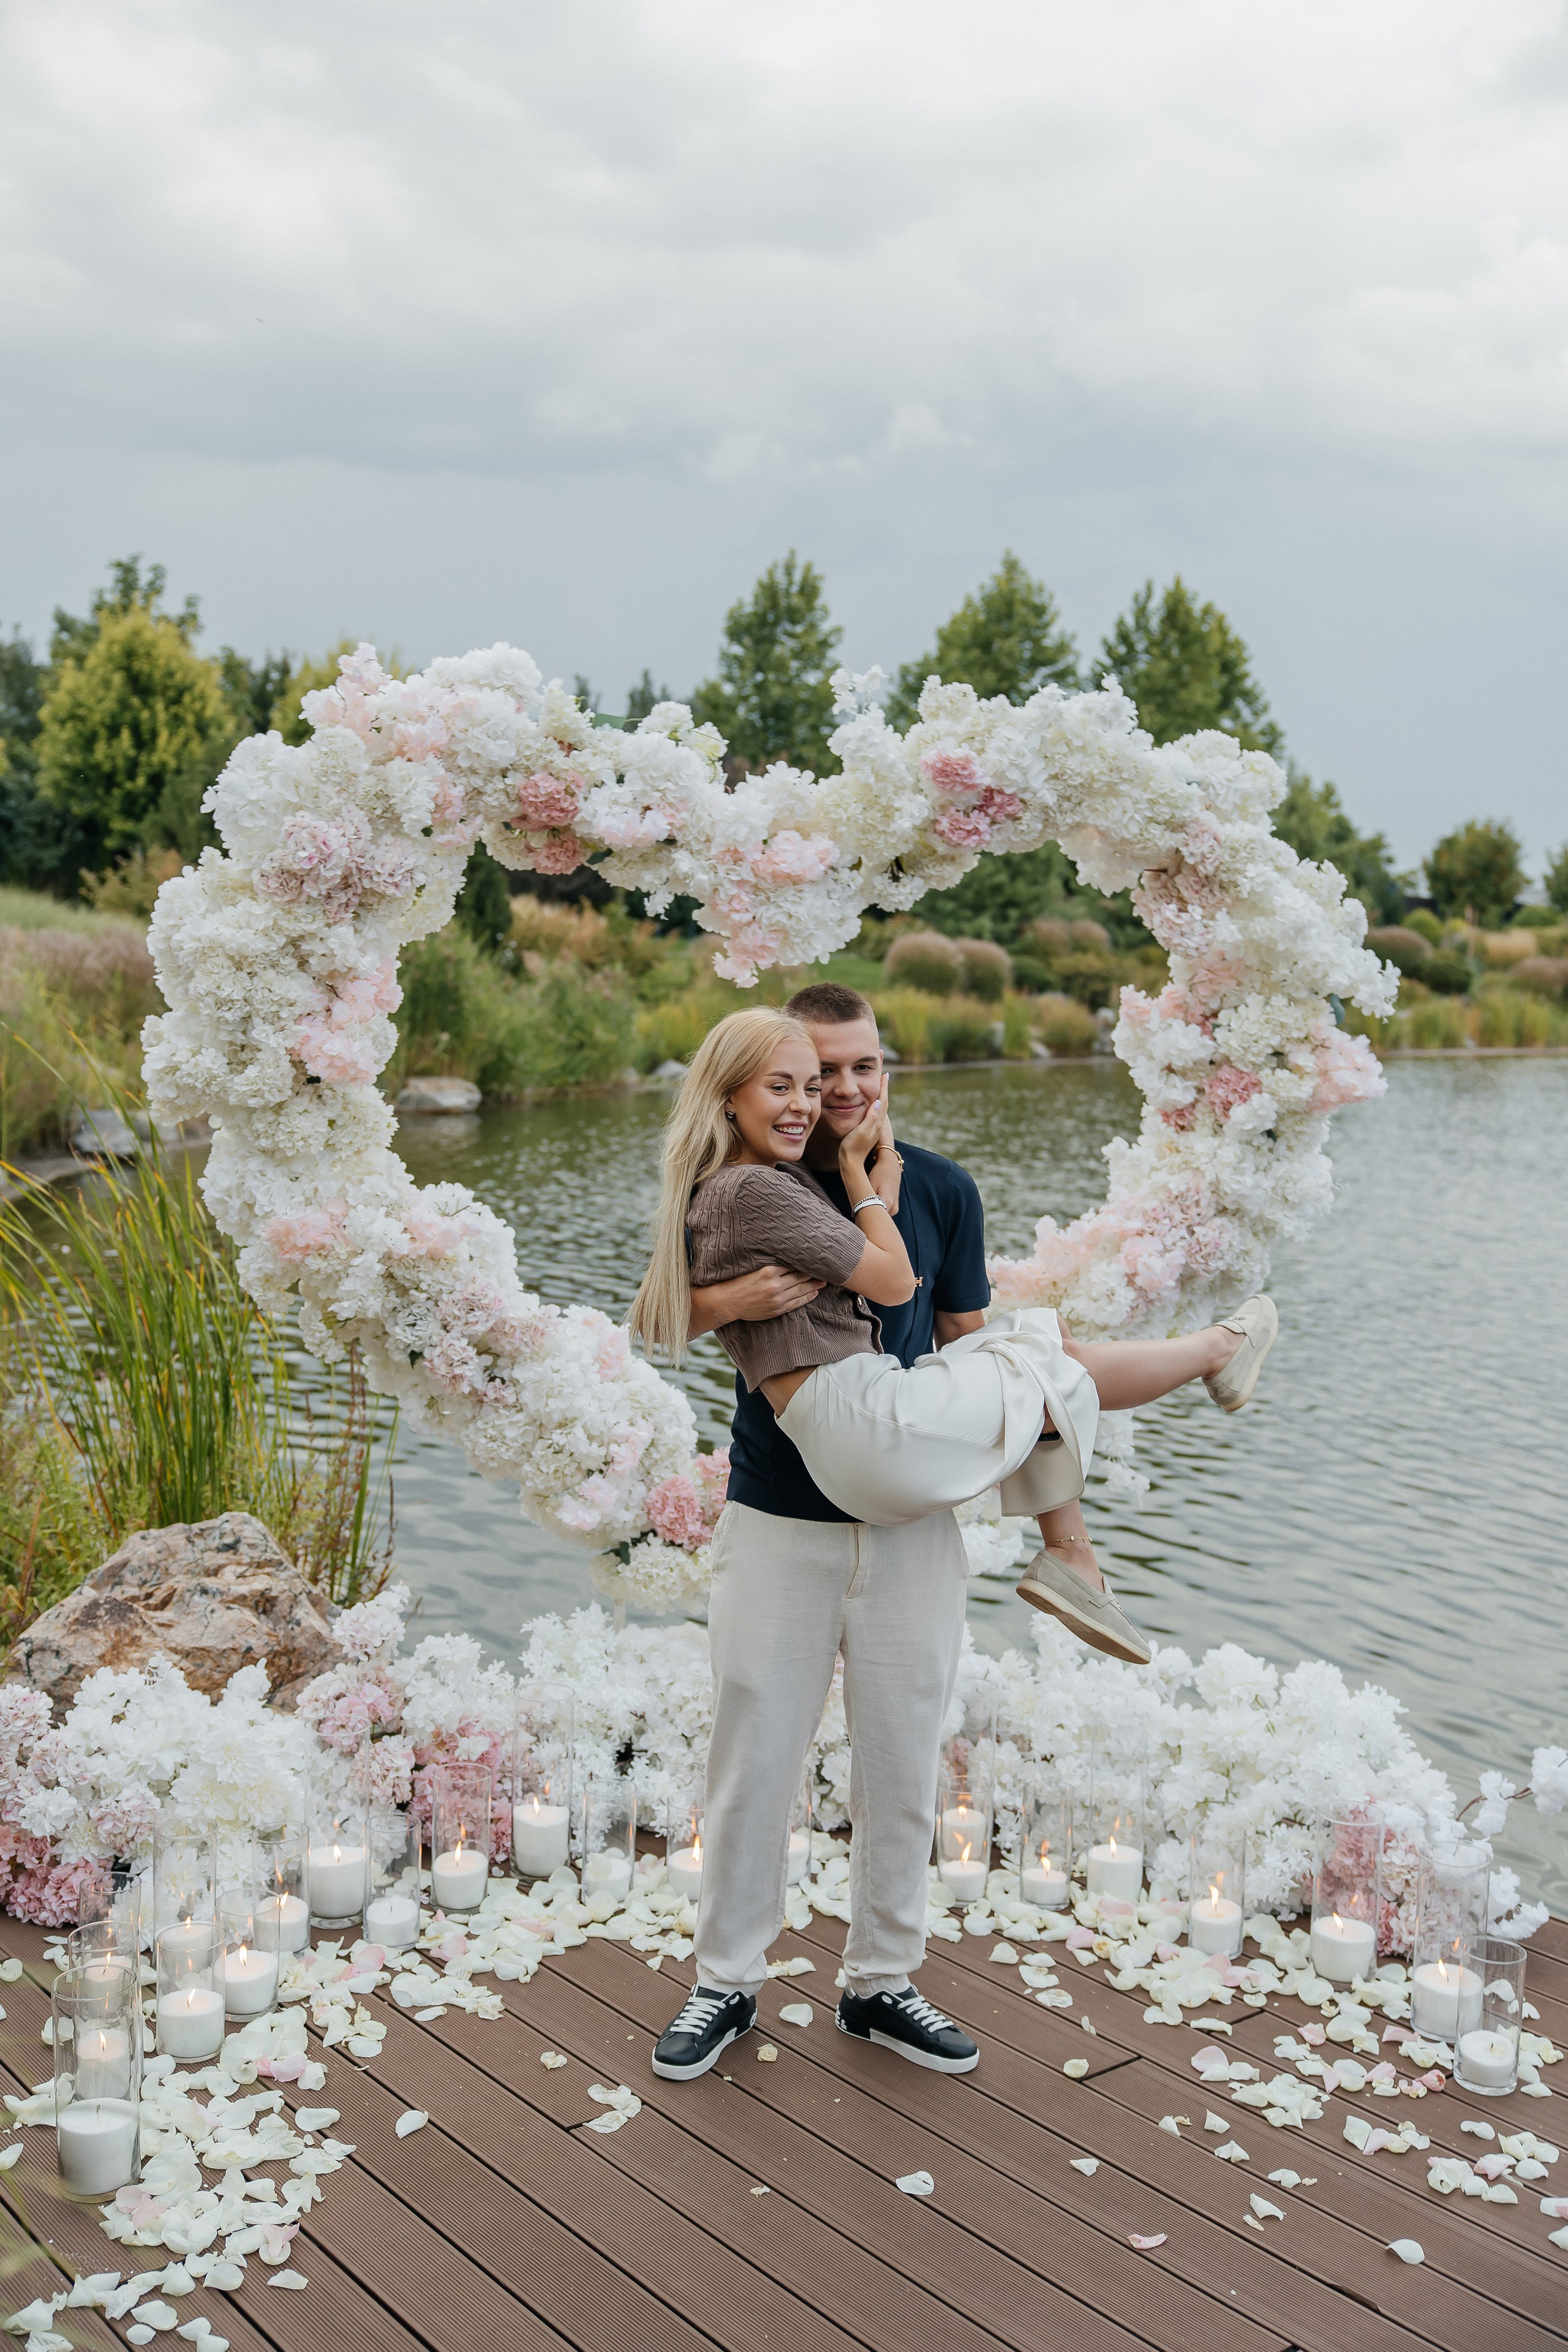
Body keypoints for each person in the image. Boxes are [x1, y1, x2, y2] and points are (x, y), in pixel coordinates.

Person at [630, 993, 1275, 2084]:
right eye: (815, 1071)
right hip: (782, 1512)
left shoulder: (936, 1187)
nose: (841, 1091)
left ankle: (882, 1982)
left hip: (915, 1518)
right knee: (756, 1755)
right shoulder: (756, 1177)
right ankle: (725, 1981)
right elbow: (657, 1307)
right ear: (772, 1078)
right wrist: (738, 1292)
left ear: (887, 1069)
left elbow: (970, 1343)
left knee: (904, 1755)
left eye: (862, 1067)